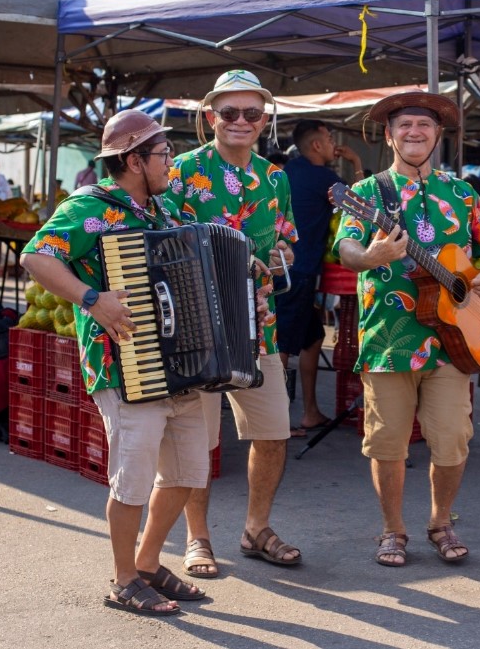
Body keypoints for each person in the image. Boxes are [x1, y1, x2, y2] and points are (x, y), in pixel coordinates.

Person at [20, 110, 222, 616]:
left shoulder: (164, 212)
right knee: (132, 477)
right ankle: (124, 578)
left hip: (182, 364)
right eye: (164, 154)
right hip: (121, 362)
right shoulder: (88, 208)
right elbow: (36, 257)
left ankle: (149, 563)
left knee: (188, 469)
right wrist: (92, 298)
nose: (171, 163)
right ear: (135, 160)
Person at [333, 91, 480, 567]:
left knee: (453, 437)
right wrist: (371, 257)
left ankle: (441, 521)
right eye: (405, 125)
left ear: (437, 135)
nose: (415, 132)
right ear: (389, 135)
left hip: (452, 344)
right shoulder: (368, 194)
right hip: (389, 339)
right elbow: (347, 250)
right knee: (388, 442)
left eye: (424, 125)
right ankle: (392, 530)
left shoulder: (462, 193)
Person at [168, 70, 300, 578]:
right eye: (229, 113)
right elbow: (158, 244)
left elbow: (285, 241)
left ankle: (255, 528)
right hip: (196, 328)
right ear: (210, 118)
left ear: (264, 120)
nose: (240, 121)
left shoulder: (276, 178)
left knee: (273, 432)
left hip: (259, 326)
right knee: (196, 440)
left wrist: (282, 256)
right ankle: (197, 538)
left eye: (250, 113)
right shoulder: (179, 172)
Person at [280, 120, 363, 435]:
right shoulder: (323, 177)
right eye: (330, 139)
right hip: (298, 270)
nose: (333, 144)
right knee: (283, 343)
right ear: (316, 145)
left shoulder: (292, 170)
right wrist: (355, 162)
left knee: (313, 337)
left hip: (291, 267)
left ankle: (311, 411)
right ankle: (279, 420)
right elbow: (359, 207)